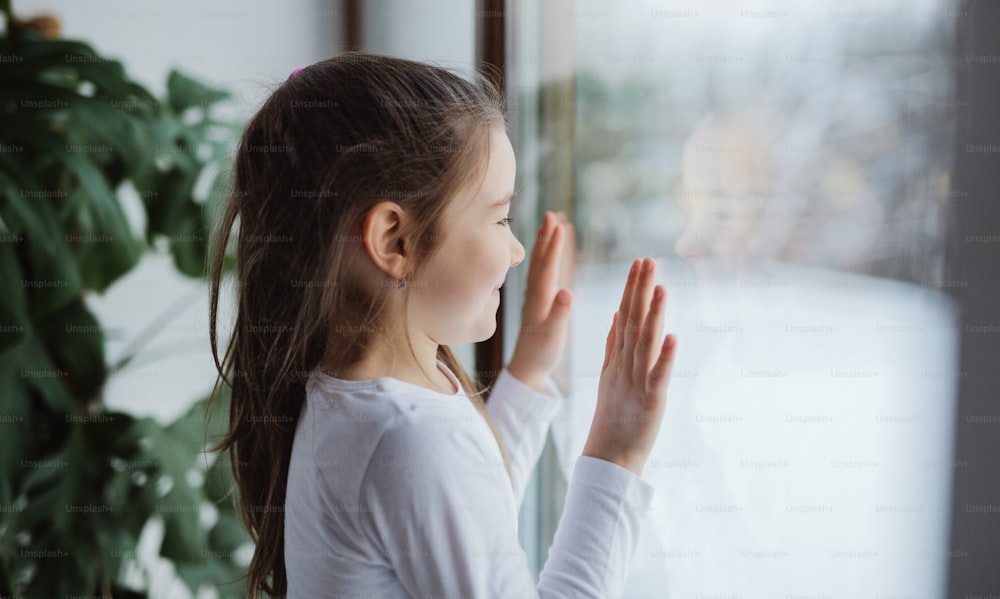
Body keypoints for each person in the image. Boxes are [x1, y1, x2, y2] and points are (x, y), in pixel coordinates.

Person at [208, 52, 678, 598]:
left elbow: (465, 510)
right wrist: (617, 454)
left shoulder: (350, 394)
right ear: (394, 241)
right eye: (500, 217)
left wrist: (528, 369)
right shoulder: (405, 433)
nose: (517, 249)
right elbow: (439, 476)